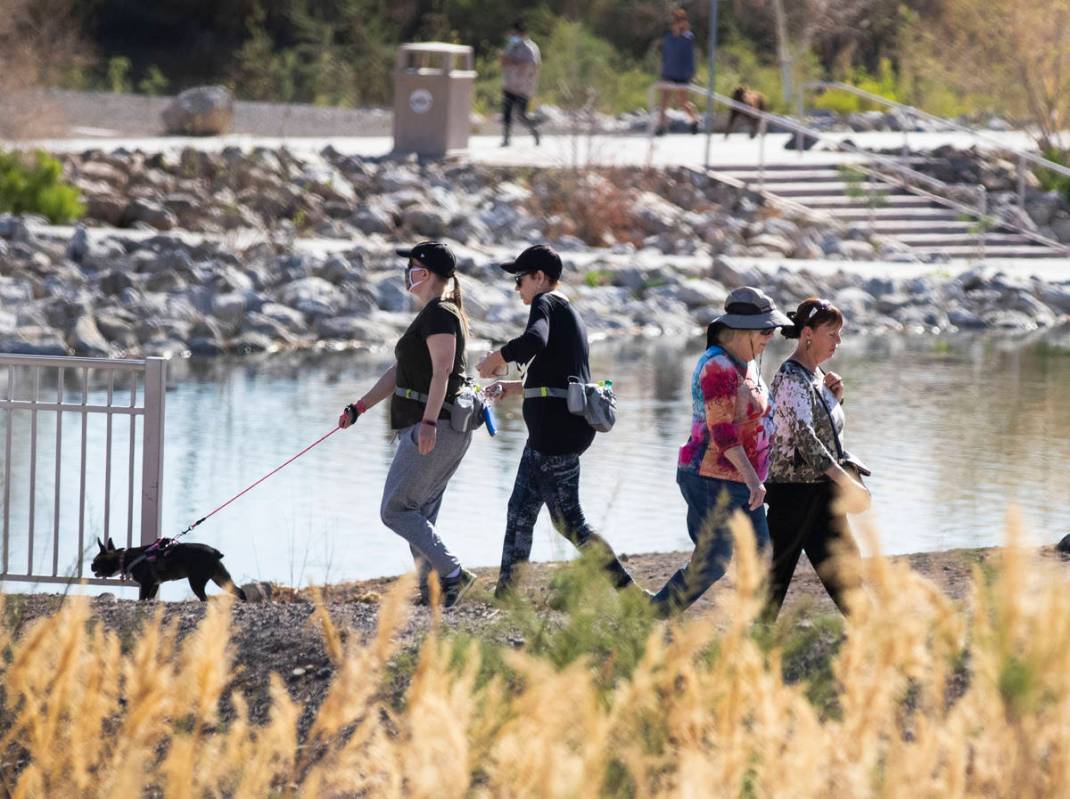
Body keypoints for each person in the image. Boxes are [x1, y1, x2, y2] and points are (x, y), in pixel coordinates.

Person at [476, 244, 637, 598]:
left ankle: (631, 595)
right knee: (520, 510)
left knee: (570, 523)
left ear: (540, 278)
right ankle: (506, 596)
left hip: (555, 435)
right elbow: (560, 377)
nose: (517, 287)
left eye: (520, 279)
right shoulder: (570, 313)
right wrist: (513, 386)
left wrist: (497, 358)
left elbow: (535, 339)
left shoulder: (545, 303)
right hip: (554, 433)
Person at [338, 241, 476, 608]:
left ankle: (453, 574)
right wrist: (360, 407)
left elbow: (443, 369)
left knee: (395, 510)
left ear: (426, 273)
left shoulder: (440, 314)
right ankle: (434, 589)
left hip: (435, 426)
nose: (406, 274)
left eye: (412, 267)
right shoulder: (433, 315)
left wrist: (428, 421)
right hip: (440, 427)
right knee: (420, 512)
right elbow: (401, 372)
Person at [649, 287, 791, 618]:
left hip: (741, 479)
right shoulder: (717, 367)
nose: (771, 336)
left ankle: (755, 631)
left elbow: (761, 416)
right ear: (742, 329)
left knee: (760, 553)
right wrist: (754, 480)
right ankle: (651, 617)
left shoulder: (748, 364)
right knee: (713, 562)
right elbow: (722, 431)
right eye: (766, 330)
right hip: (709, 477)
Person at [763, 297, 870, 620]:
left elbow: (824, 432)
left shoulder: (816, 376)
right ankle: (749, 647)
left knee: (845, 569)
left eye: (839, 334)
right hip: (793, 493)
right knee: (773, 576)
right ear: (807, 334)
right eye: (831, 333)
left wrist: (836, 398)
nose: (837, 341)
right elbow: (805, 440)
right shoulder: (791, 379)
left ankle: (876, 637)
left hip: (819, 490)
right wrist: (847, 483)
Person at [656, 8, 700, 136]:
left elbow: (690, 57)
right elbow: (665, 56)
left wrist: (691, 73)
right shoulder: (668, 38)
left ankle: (694, 120)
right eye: (674, 21)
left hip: (682, 74)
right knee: (663, 101)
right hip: (668, 73)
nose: (676, 24)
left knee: (682, 102)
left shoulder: (688, 38)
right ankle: (662, 126)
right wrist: (662, 70)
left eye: (678, 21)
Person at [500, 20, 542, 147]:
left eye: (516, 34)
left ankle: (534, 130)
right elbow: (504, 62)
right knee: (506, 111)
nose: (513, 37)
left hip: (524, 87)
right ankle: (506, 138)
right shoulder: (511, 47)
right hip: (509, 84)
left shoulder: (530, 48)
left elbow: (529, 65)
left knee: (521, 115)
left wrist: (512, 61)